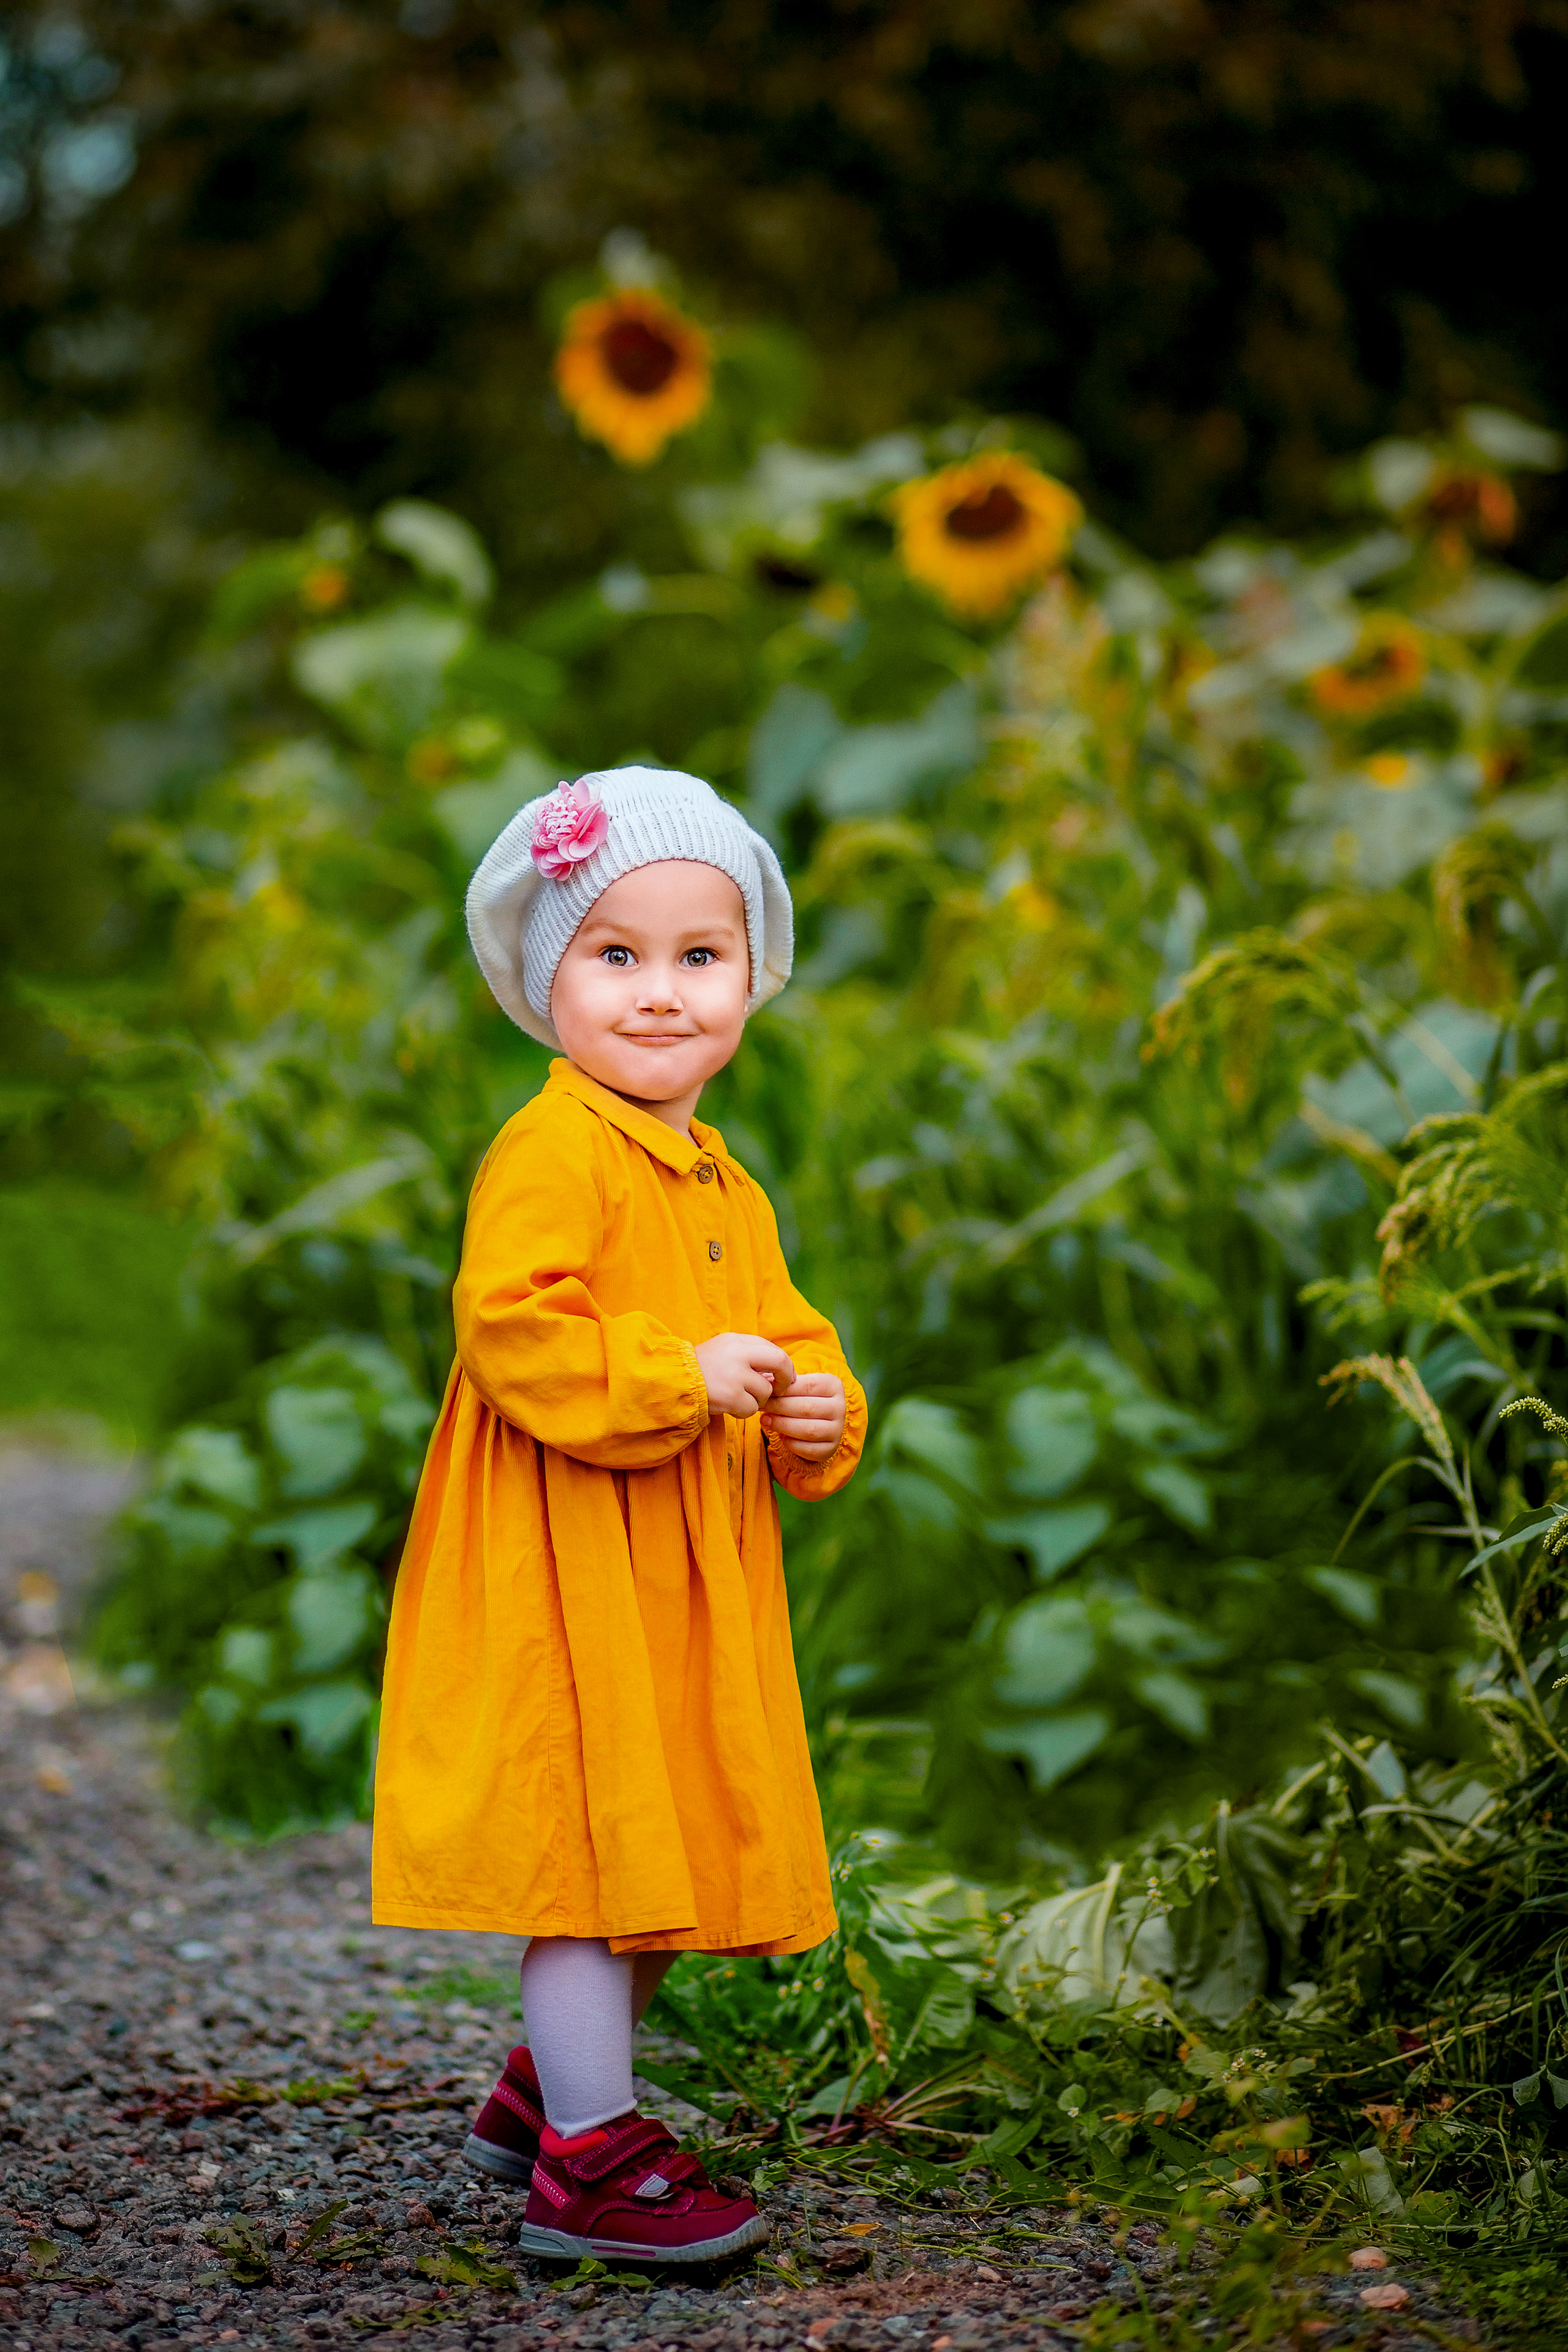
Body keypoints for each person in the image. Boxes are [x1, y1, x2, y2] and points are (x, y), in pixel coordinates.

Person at [372, 766, 866, 2264]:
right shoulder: (557, 1147)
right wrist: (676, 1371)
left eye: (697, 957)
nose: (660, 995)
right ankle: (586, 2165)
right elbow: (510, 1327)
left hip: (679, 1568)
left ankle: (546, 2090)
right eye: (616, 954)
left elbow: (779, 1325)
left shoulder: (721, 1174)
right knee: (595, 1854)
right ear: (548, 978)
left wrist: (814, 1404)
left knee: (658, 1838)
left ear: (748, 978)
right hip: (568, 1552)